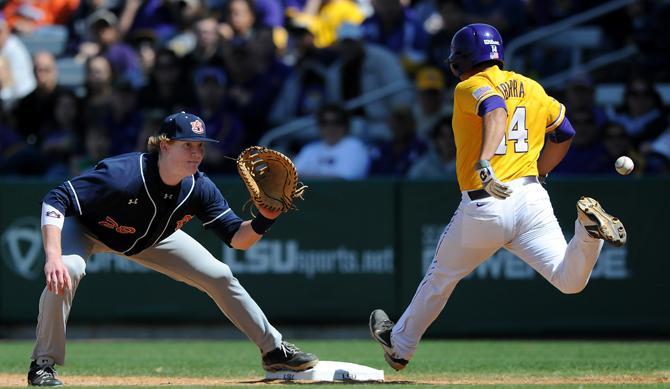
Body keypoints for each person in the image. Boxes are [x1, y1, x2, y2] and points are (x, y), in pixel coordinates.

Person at [368, 23, 627, 371]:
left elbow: (495, 109)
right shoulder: (533, 87)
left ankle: (399, 348)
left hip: (487, 200)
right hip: (532, 196)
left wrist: (486, 160)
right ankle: (587, 231)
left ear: (459, 59)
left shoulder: (469, 85)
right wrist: (542, 172)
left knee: (441, 277)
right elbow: (565, 132)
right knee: (569, 281)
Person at [28, 112, 319, 386]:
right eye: (188, 145)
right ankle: (43, 363)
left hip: (151, 237)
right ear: (165, 146)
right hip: (87, 228)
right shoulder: (124, 173)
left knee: (219, 274)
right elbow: (56, 197)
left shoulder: (199, 188)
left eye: (201, 146)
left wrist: (264, 219)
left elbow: (237, 238)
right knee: (67, 269)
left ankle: (274, 351)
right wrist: (53, 255)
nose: (197, 153)